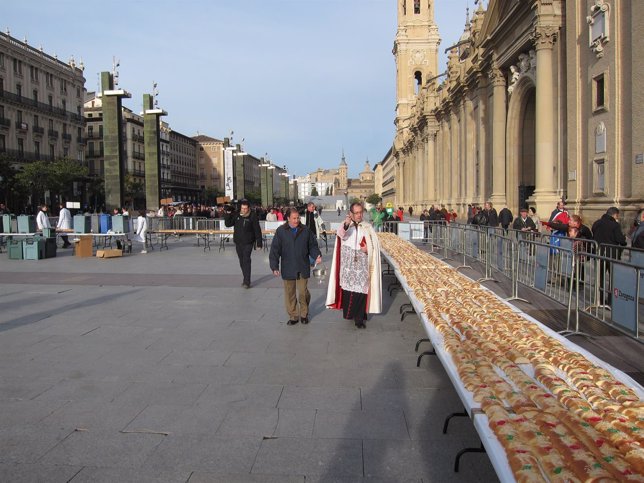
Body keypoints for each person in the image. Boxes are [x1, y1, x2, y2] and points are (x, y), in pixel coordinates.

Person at [326, 202, 382, 329]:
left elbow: (375, 246)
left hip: (362, 265)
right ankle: (350, 314)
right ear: (351, 213)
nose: (359, 215)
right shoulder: (346, 225)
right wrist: (346, 223)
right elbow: (341, 234)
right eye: (356, 213)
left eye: (361, 212)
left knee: (361, 292)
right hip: (348, 266)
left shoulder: (367, 227)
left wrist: (368, 249)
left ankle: (359, 318)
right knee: (348, 291)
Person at [269, 208, 322, 325]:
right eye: (294, 218)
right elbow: (275, 250)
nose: (296, 220)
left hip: (302, 266)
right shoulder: (281, 231)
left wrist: (316, 254)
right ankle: (293, 316)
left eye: (298, 217)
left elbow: (312, 245)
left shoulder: (305, 230)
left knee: (303, 292)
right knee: (290, 293)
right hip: (288, 266)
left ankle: (304, 314)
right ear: (288, 218)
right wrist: (274, 266)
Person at [225, 199, 263, 289]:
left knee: (246, 260)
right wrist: (228, 214)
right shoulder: (237, 215)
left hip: (248, 242)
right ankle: (245, 277)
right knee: (241, 261)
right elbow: (228, 224)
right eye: (242, 208)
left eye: (245, 208)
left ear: (248, 208)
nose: (244, 210)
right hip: (238, 242)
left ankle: (247, 282)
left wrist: (259, 243)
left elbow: (257, 230)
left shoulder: (252, 216)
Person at [592, 207, 627, 305]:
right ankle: (611, 301)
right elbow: (620, 239)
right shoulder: (615, 225)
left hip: (599, 253)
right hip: (611, 254)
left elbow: (594, 234)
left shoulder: (596, 223)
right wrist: (623, 240)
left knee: (600, 278)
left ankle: (599, 300)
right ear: (615, 215)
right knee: (612, 278)